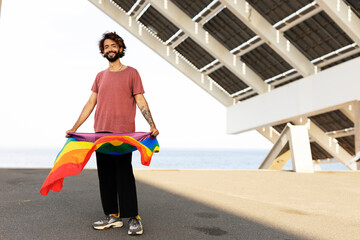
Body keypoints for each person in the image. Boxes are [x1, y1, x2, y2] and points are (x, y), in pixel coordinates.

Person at [65, 31, 159, 235]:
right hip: (101, 134)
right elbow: (91, 103)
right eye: (106, 47)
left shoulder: (132, 73)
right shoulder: (100, 76)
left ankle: (134, 218)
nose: (110, 49)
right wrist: (75, 127)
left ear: (121, 49)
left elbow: (140, 100)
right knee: (105, 176)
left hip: (124, 135)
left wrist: (152, 124)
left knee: (124, 174)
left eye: (113, 46)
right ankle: (112, 216)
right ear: (103, 51)